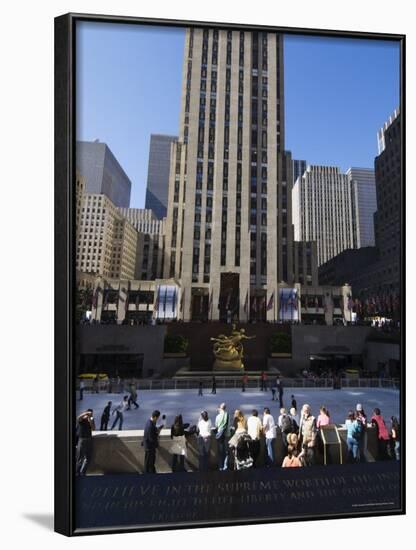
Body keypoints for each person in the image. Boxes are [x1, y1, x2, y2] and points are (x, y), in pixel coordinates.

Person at [76, 409, 95, 475]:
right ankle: (77, 473)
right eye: (89, 414)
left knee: (88, 458)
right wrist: (86, 413)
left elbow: (93, 428)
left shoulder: (91, 420)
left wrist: (91, 421)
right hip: (82, 440)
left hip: (89, 439)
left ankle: (83, 472)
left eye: (91, 414)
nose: (90, 415)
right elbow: (78, 418)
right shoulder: (81, 420)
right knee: (80, 458)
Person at [215, 403, 229, 470]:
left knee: (220, 452)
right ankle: (225, 466)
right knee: (226, 452)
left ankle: (220, 466)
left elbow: (216, 426)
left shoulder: (218, 416)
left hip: (220, 435)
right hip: (226, 434)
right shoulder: (227, 414)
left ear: (220, 408)